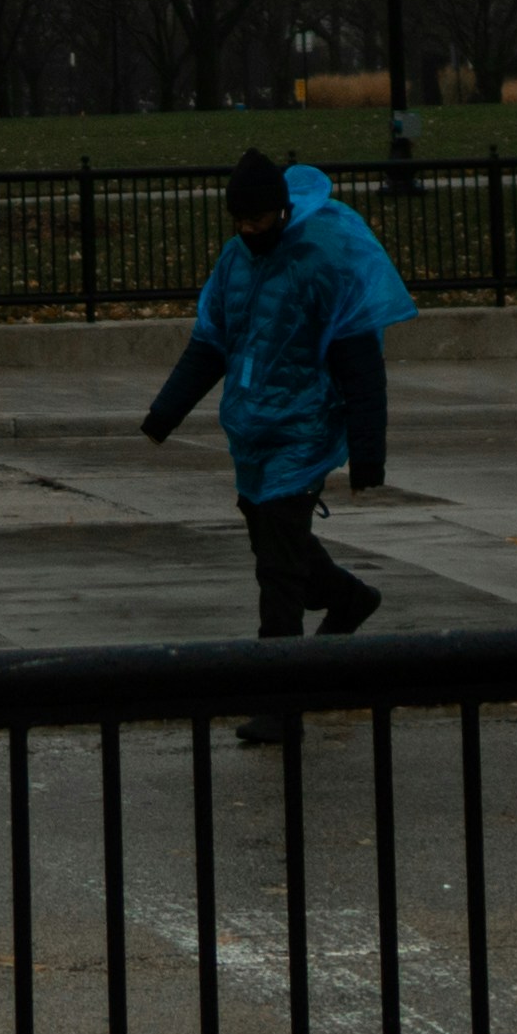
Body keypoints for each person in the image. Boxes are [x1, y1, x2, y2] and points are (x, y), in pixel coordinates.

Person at [142, 148, 416, 737]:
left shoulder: (324, 264)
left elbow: (360, 366)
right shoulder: (233, 262)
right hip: (251, 429)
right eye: (239, 220)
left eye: (259, 220)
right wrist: (165, 413)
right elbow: (210, 345)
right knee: (277, 548)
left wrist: (369, 455)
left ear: (282, 212)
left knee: (278, 568)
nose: (248, 231)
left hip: (303, 430)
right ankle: (349, 600)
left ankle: (281, 700)